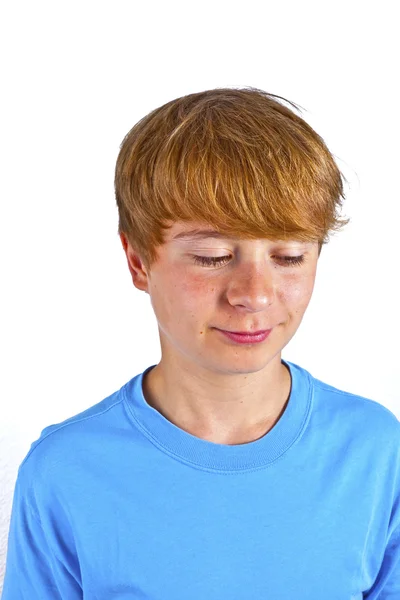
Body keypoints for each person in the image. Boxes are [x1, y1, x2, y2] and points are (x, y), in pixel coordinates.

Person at [2, 87, 399, 599]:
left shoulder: (376, 451)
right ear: (138, 261)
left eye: (289, 257)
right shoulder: (64, 473)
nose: (254, 295)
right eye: (212, 256)